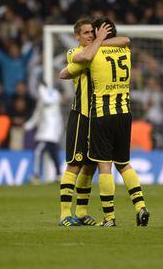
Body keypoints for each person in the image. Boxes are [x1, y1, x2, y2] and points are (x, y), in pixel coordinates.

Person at [68, 17, 150, 227]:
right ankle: (140, 206)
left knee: (104, 166)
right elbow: (125, 40)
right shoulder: (125, 51)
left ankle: (109, 218)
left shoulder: (93, 54)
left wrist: (96, 42)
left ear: (100, 33)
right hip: (125, 114)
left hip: (102, 115)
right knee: (124, 164)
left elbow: (77, 61)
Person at [58, 18, 130, 227]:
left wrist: (99, 42)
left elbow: (125, 39)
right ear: (77, 36)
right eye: (86, 33)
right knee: (75, 164)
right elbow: (84, 57)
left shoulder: (98, 48)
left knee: (89, 167)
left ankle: (81, 212)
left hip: (99, 117)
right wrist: (97, 42)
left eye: (93, 32)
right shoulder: (75, 53)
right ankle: (64, 214)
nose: (90, 35)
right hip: (81, 115)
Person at [24, 82, 63, 184]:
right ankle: (58, 175)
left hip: (50, 132)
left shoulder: (54, 95)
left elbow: (47, 101)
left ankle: (36, 176)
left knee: (38, 151)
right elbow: (36, 116)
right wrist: (27, 126)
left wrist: (41, 89)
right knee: (53, 154)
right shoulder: (41, 101)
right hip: (46, 133)